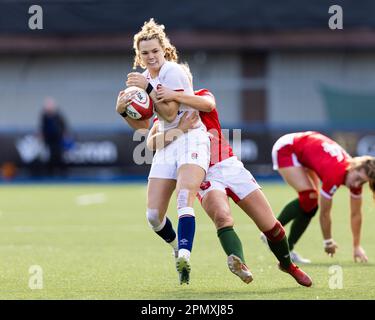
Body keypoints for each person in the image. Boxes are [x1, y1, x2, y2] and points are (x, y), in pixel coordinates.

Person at [146, 84, 313, 287]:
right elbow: (151, 142)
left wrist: (174, 96)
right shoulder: (164, 112)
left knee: (271, 226)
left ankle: (288, 266)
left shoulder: (199, 95)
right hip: (202, 172)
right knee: (222, 217)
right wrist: (178, 129)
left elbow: (209, 104)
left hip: (229, 165)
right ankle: (239, 262)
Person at [115, 18, 210, 285]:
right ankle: (175, 249)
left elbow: (169, 111)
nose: (150, 56)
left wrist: (146, 89)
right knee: (153, 216)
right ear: (139, 55)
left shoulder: (174, 72)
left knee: (183, 198)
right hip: (169, 140)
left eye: (155, 51)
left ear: (163, 49)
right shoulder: (143, 79)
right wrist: (123, 111)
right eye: (145, 53)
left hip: (191, 137)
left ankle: (185, 254)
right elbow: (144, 126)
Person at [270, 131, 375, 264]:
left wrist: (356, 246)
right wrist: (328, 242)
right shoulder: (336, 173)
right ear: (353, 167)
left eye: (362, 182)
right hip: (288, 147)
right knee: (310, 197)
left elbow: (356, 214)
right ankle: (271, 232)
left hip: (306, 149)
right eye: (358, 178)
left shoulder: (354, 177)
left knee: (311, 205)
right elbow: (325, 214)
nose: (356, 184)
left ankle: (286, 248)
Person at [40, 97, 67, 176]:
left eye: (50, 105)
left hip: (58, 139)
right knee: (49, 156)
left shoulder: (58, 115)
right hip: (48, 140)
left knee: (59, 155)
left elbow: (63, 126)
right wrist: (42, 136)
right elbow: (42, 127)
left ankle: (62, 173)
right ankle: (49, 173)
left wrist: (64, 134)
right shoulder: (44, 116)